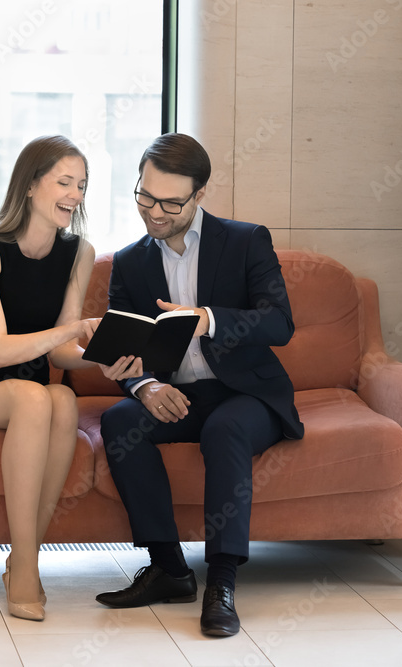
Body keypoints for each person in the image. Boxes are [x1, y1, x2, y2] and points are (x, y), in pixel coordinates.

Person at [95, 133, 304, 637]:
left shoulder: (246, 240)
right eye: (145, 196)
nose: (155, 211)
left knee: (225, 429)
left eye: (170, 202)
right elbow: (124, 347)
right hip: (179, 394)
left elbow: (280, 323)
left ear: (200, 194)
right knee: (120, 421)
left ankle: (223, 581)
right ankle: (168, 569)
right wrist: (144, 386)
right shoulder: (129, 262)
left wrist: (207, 319)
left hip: (245, 394)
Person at [0, 135, 141, 622]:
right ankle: (25, 567)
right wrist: (73, 329)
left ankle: (24, 558)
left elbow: (63, 355)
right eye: (64, 182)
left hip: (32, 392)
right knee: (35, 398)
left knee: (60, 399)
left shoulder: (79, 252)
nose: (75, 195)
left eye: (82, 186)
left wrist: (104, 361)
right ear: (29, 185)